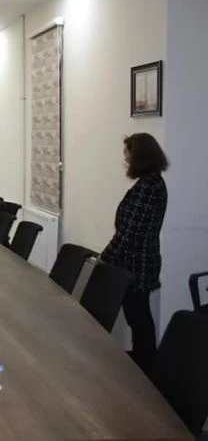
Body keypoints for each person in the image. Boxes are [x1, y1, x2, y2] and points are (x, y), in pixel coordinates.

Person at [98, 133, 168, 374]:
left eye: (127, 152)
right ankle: (143, 361)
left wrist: (105, 256)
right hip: (139, 260)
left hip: (137, 263)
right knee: (138, 317)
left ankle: (145, 367)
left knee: (139, 318)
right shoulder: (152, 183)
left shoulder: (148, 188)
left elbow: (128, 232)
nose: (125, 158)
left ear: (139, 156)